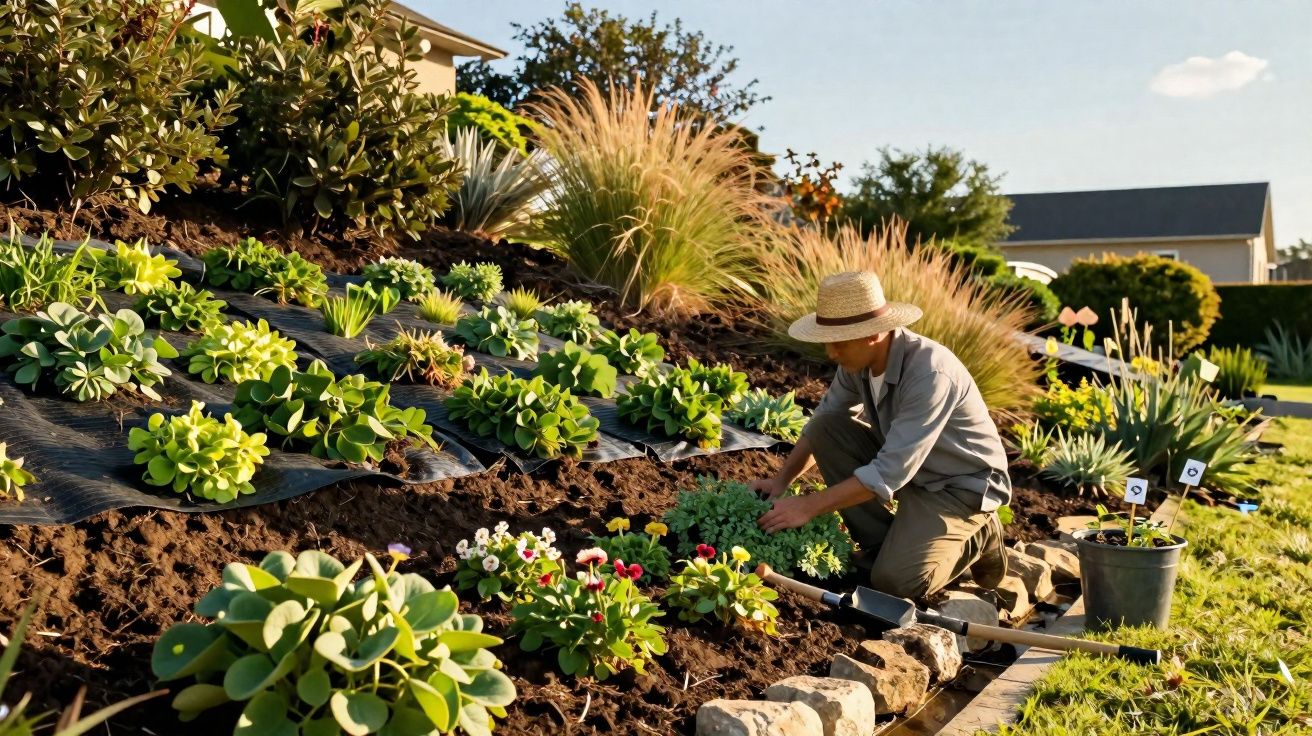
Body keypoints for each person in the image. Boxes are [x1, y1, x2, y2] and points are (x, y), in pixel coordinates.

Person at [752, 270, 1010, 599]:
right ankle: (891, 547)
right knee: (826, 427)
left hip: (958, 487)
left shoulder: (929, 374)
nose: (831, 353)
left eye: (838, 342)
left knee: (895, 583)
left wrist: (810, 506)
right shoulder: (856, 364)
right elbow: (823, 422)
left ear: (872, 334)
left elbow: (888, 472)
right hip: (912, 475)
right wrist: (781, 482)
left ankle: (980, 534)